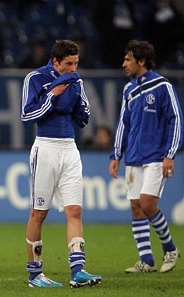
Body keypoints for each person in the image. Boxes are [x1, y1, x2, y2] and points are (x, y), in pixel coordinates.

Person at [20, 40, 102, 288]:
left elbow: (84, 115)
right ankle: (35, 275)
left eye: (76, 63)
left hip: (69, 149)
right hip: (45, 147)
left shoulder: (76, 81)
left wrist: (79, 106)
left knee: (74, 211)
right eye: (68, 64)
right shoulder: (35, 78)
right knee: (39, 213)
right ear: (55, 61)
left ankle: (78, 270)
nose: (73, 68)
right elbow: (26, 115)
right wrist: (52, 96)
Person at [109, 39, 182, 273]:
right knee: (135, 207)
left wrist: (170, 154)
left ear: (141, 61)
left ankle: (170, 248)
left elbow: (176, 120)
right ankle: (147, 261)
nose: (124, 64)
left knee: (148, 204)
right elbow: (123, 123)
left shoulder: (162, 86)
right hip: (133, 157)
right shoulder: (128, 90)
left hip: (155, 157)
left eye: (128, 59)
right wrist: (116, 154)